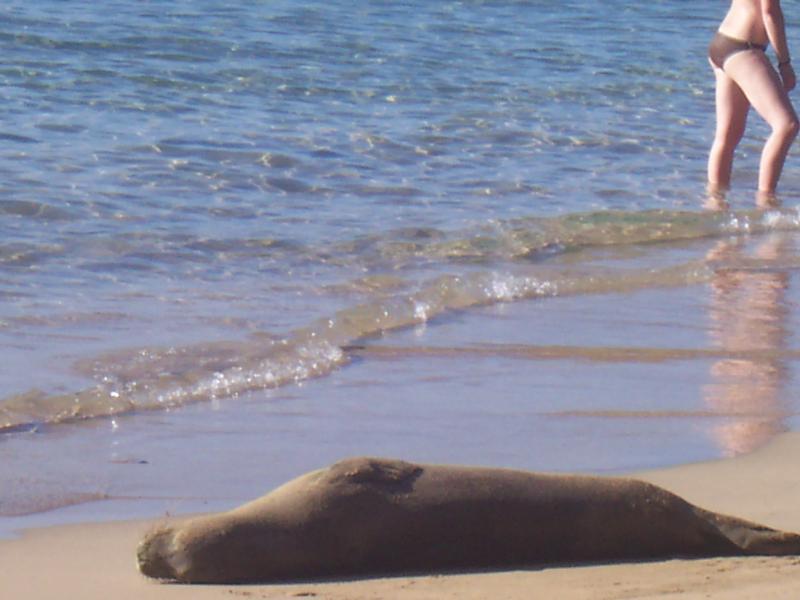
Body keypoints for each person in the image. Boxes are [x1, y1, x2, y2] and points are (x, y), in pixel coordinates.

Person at [707, 0, 799, 208]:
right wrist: (784, 63)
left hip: (724, 42)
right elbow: (769, 12)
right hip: (743, 48)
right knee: (787, 125)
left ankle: (715, 205)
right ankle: (766, 202)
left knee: (727, 135)